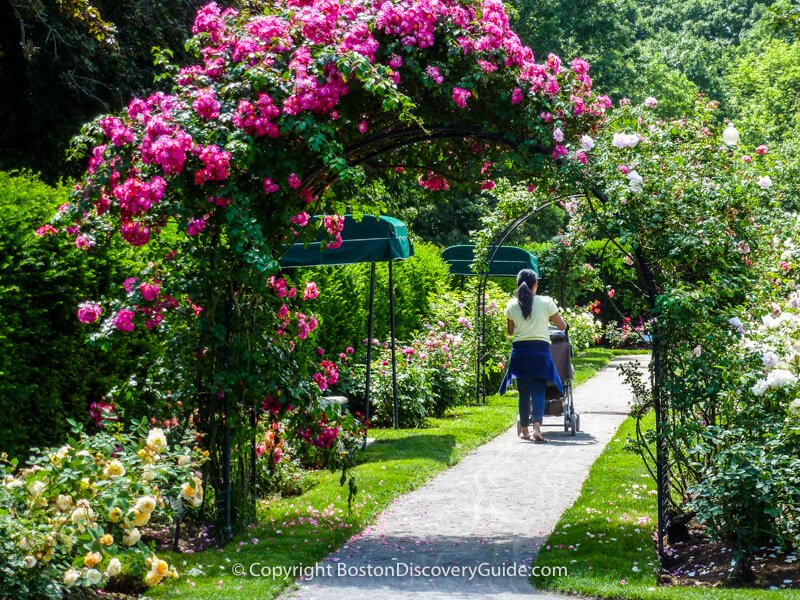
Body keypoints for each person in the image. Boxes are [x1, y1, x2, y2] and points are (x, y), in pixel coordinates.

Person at [499, 269, 567, 443]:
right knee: (538, 389)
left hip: (520, 352)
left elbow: (510, 331)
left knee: (523, 392)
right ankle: (537, 428)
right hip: (540, 352)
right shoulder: (546, 302)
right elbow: (561, 326)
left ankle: (524, 430)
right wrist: (564, 324)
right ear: (535, 284)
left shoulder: (511, 305)